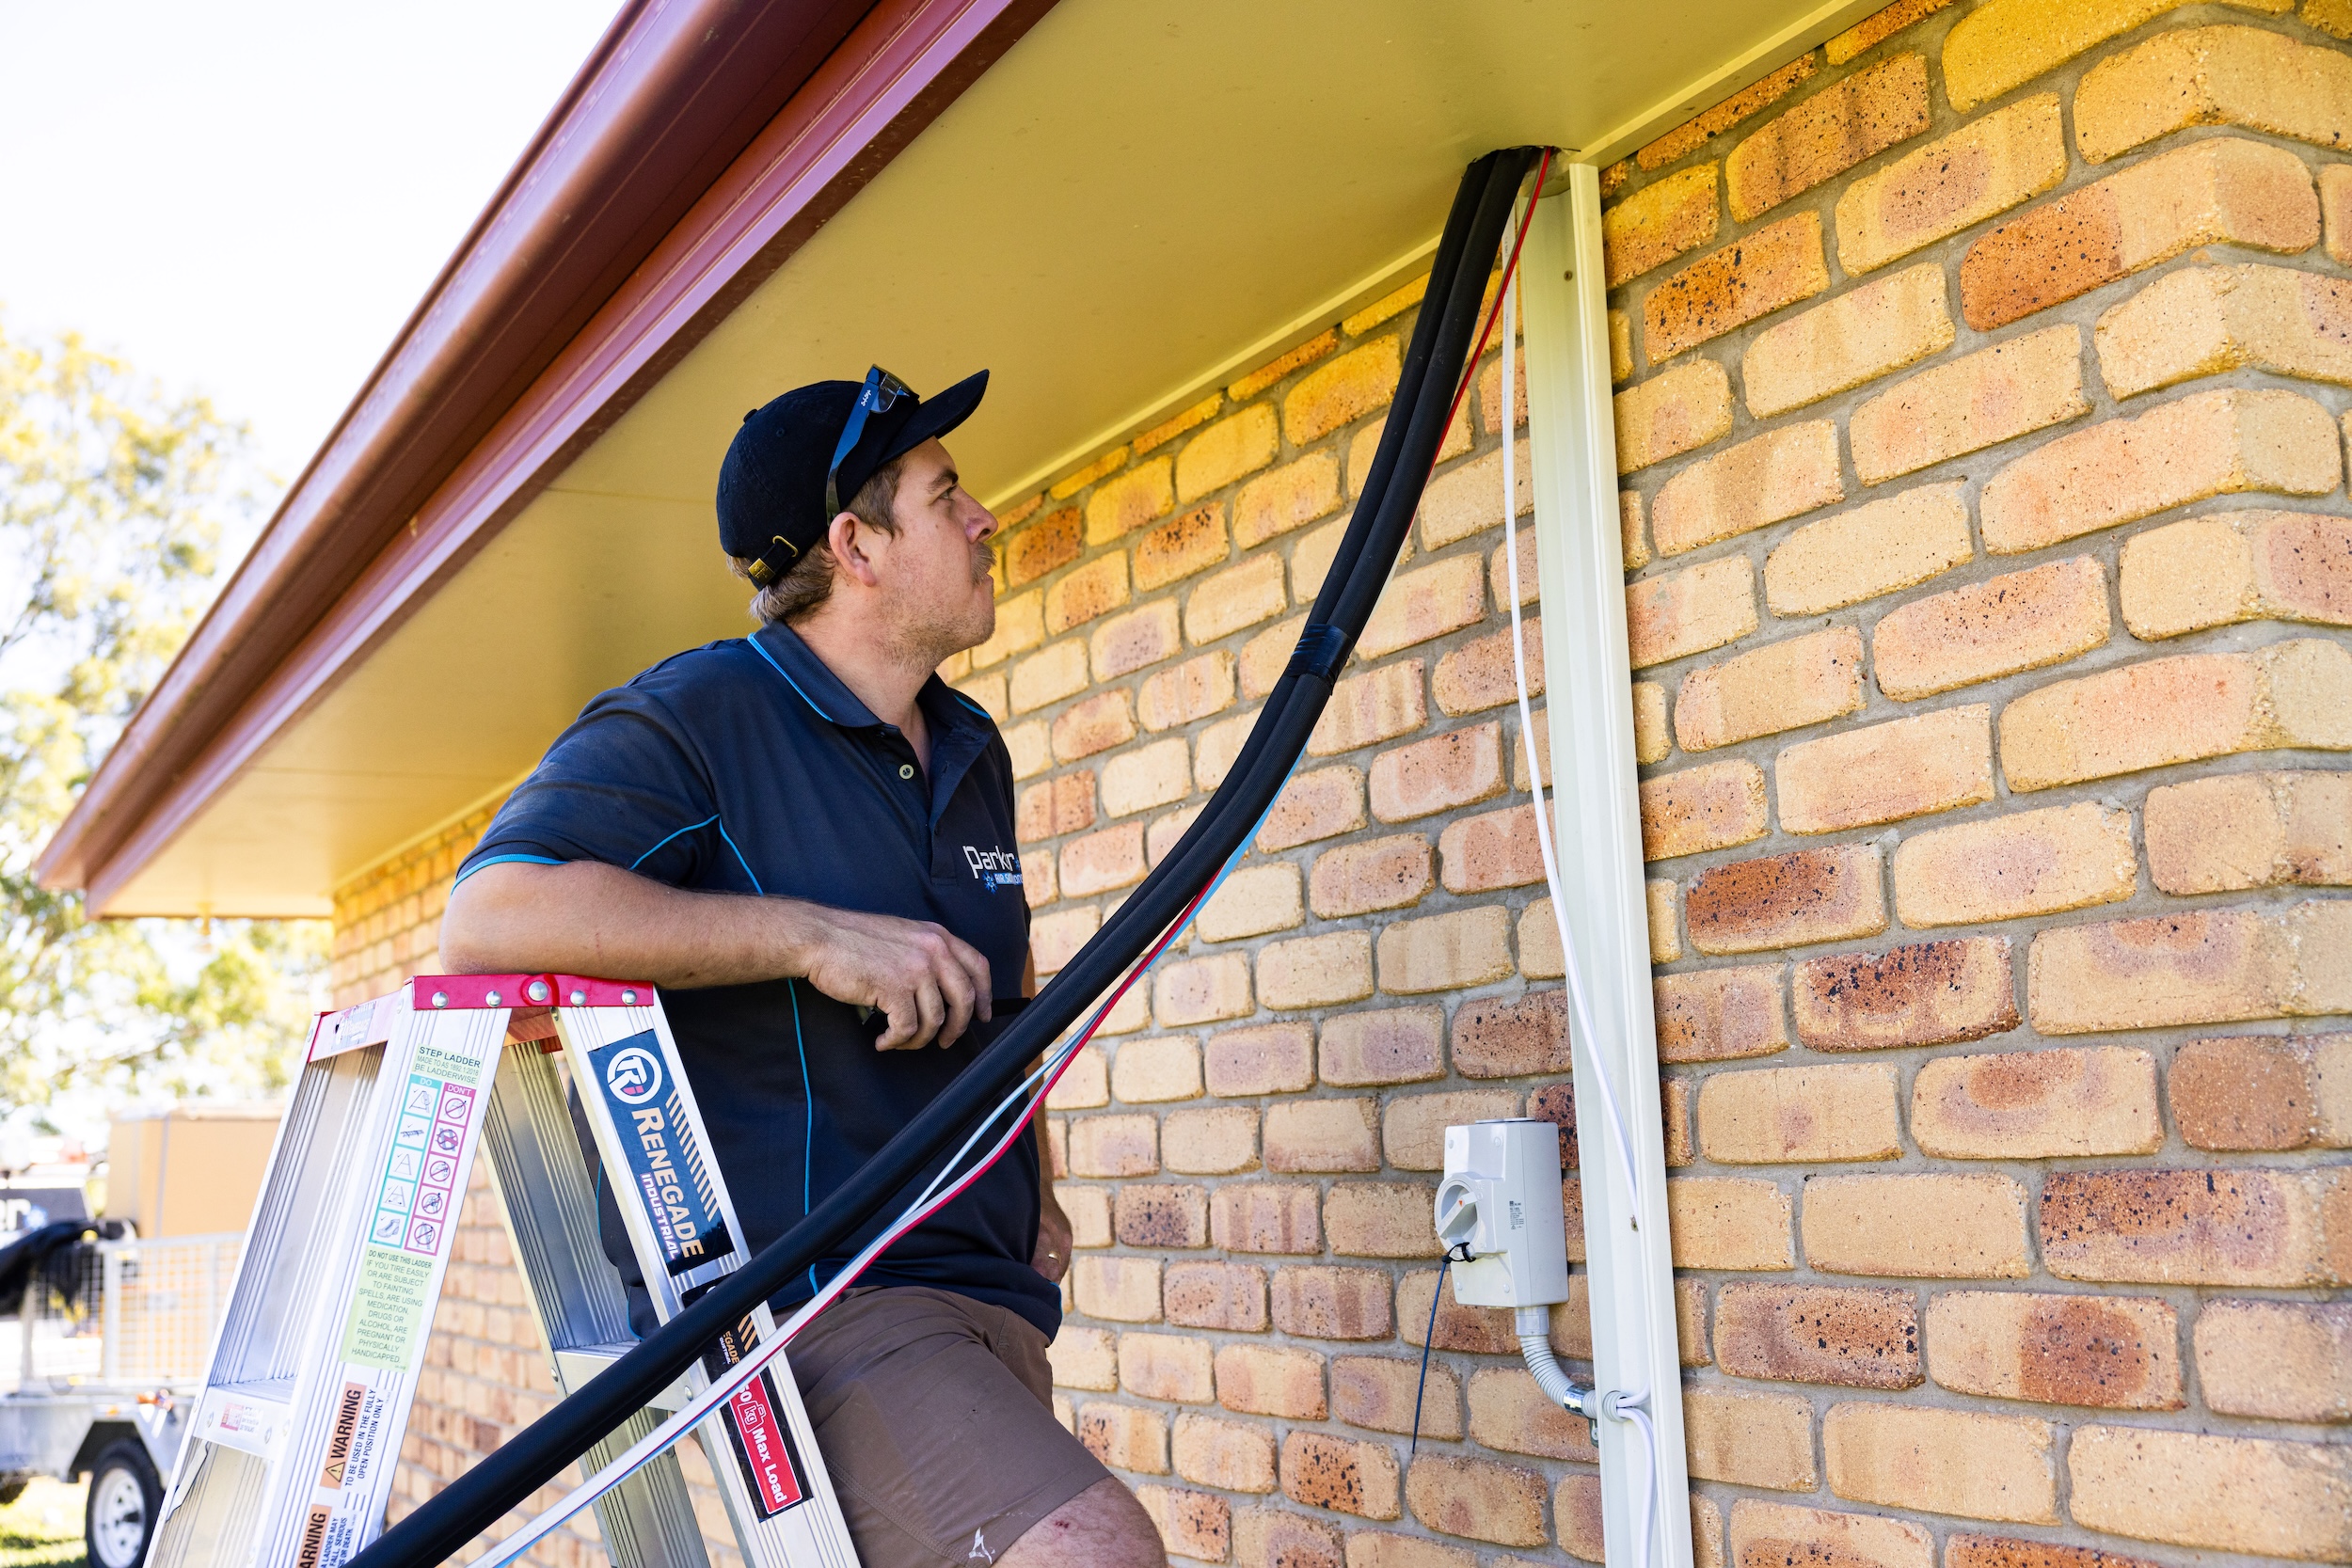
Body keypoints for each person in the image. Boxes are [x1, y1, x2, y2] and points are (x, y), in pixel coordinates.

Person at [439, 368, 1165, 1568]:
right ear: (856, 544)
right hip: (820, 1298)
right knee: (1087, 1548)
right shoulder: (702, 714)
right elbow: (490, 916)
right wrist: (811, 935)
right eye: (945, 494)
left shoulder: (968, 745)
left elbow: (1007, 980)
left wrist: (1037, 1177)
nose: (983, 514)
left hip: (985, 1289)